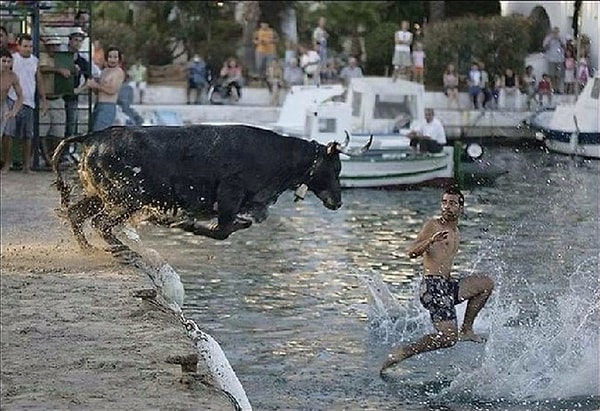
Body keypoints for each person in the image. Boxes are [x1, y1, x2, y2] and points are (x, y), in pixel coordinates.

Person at [380, 186, 495, 374]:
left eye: (452, 203)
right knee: (448, 339)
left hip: (446, 285)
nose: (447, 207)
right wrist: (430, 241)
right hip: (432, 287)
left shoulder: (456, 231)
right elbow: (412, 252)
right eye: (444, 202)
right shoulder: (433, 225)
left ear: (460, 207)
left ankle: (466, 329)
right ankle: (403, 352)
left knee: (485, 285)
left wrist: (450, 280)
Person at [4, 34, 47, 174]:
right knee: (8, 133)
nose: (28, 49)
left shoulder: (35, 61)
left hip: (29, 101)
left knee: (28, 135)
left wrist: (43, 99)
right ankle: (7, 164)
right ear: (18, 46)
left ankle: (26, 166)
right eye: (25, 46)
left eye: (30, 46)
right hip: (12, 99)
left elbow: (39, 80)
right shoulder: (13, 59)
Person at [85, 46, 125, 131]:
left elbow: (112, 90)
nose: (112, 60)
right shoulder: (104, 71)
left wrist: (96, 85)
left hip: (108, 106)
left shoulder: (118, 72)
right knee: (92, 131)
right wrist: (92, 85)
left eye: (115, 57)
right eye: (110, 57)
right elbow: (98, 91)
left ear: (119, 59)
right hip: (98, 105)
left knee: (99, 132)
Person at [63, 31, 91, 138]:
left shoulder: (82, 61)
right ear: (69, 41)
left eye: (80, 41)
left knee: (71, 126)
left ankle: (68, 151)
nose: (78, 43)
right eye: (75, 40)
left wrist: (78, 90)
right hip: (58, 95)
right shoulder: (61, 58)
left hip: (72, 97)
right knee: (57, 127)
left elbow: (90, 81)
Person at [1, 48, 24, 173]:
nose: (6, 64)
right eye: (3, 61)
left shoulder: (12, 76)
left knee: (6, 134)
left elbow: (20, 96)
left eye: (9, 62)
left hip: (3, 106)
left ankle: (7, 163)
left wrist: (14, 111)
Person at [542, 27, 565, 94]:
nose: (555, 33)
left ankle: (557, 88)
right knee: (552, 75)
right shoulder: (548, 38)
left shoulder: (561, 38)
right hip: (551, 59)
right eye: (554, 32)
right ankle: (553, 88)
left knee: (559, 75)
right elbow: (545, 47)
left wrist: (559, 40)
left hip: (559, 59)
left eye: (557, 32)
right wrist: (550, 40)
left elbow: (565, 46)